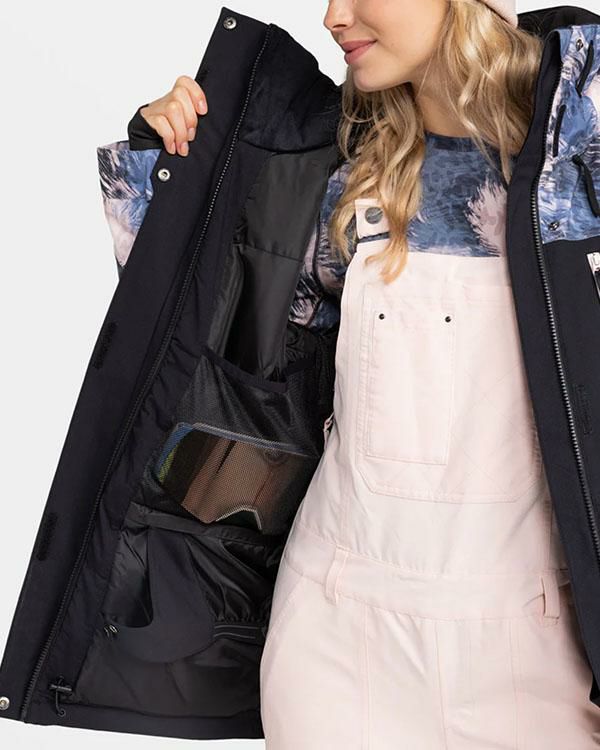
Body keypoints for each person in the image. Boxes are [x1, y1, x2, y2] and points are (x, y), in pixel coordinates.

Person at [120, 0, 600, 746]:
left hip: (538, 653)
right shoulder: (341, 174)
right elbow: (199, 349)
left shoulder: (578, 161)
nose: (333, 15)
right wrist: (167, 168)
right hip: (337, 639)